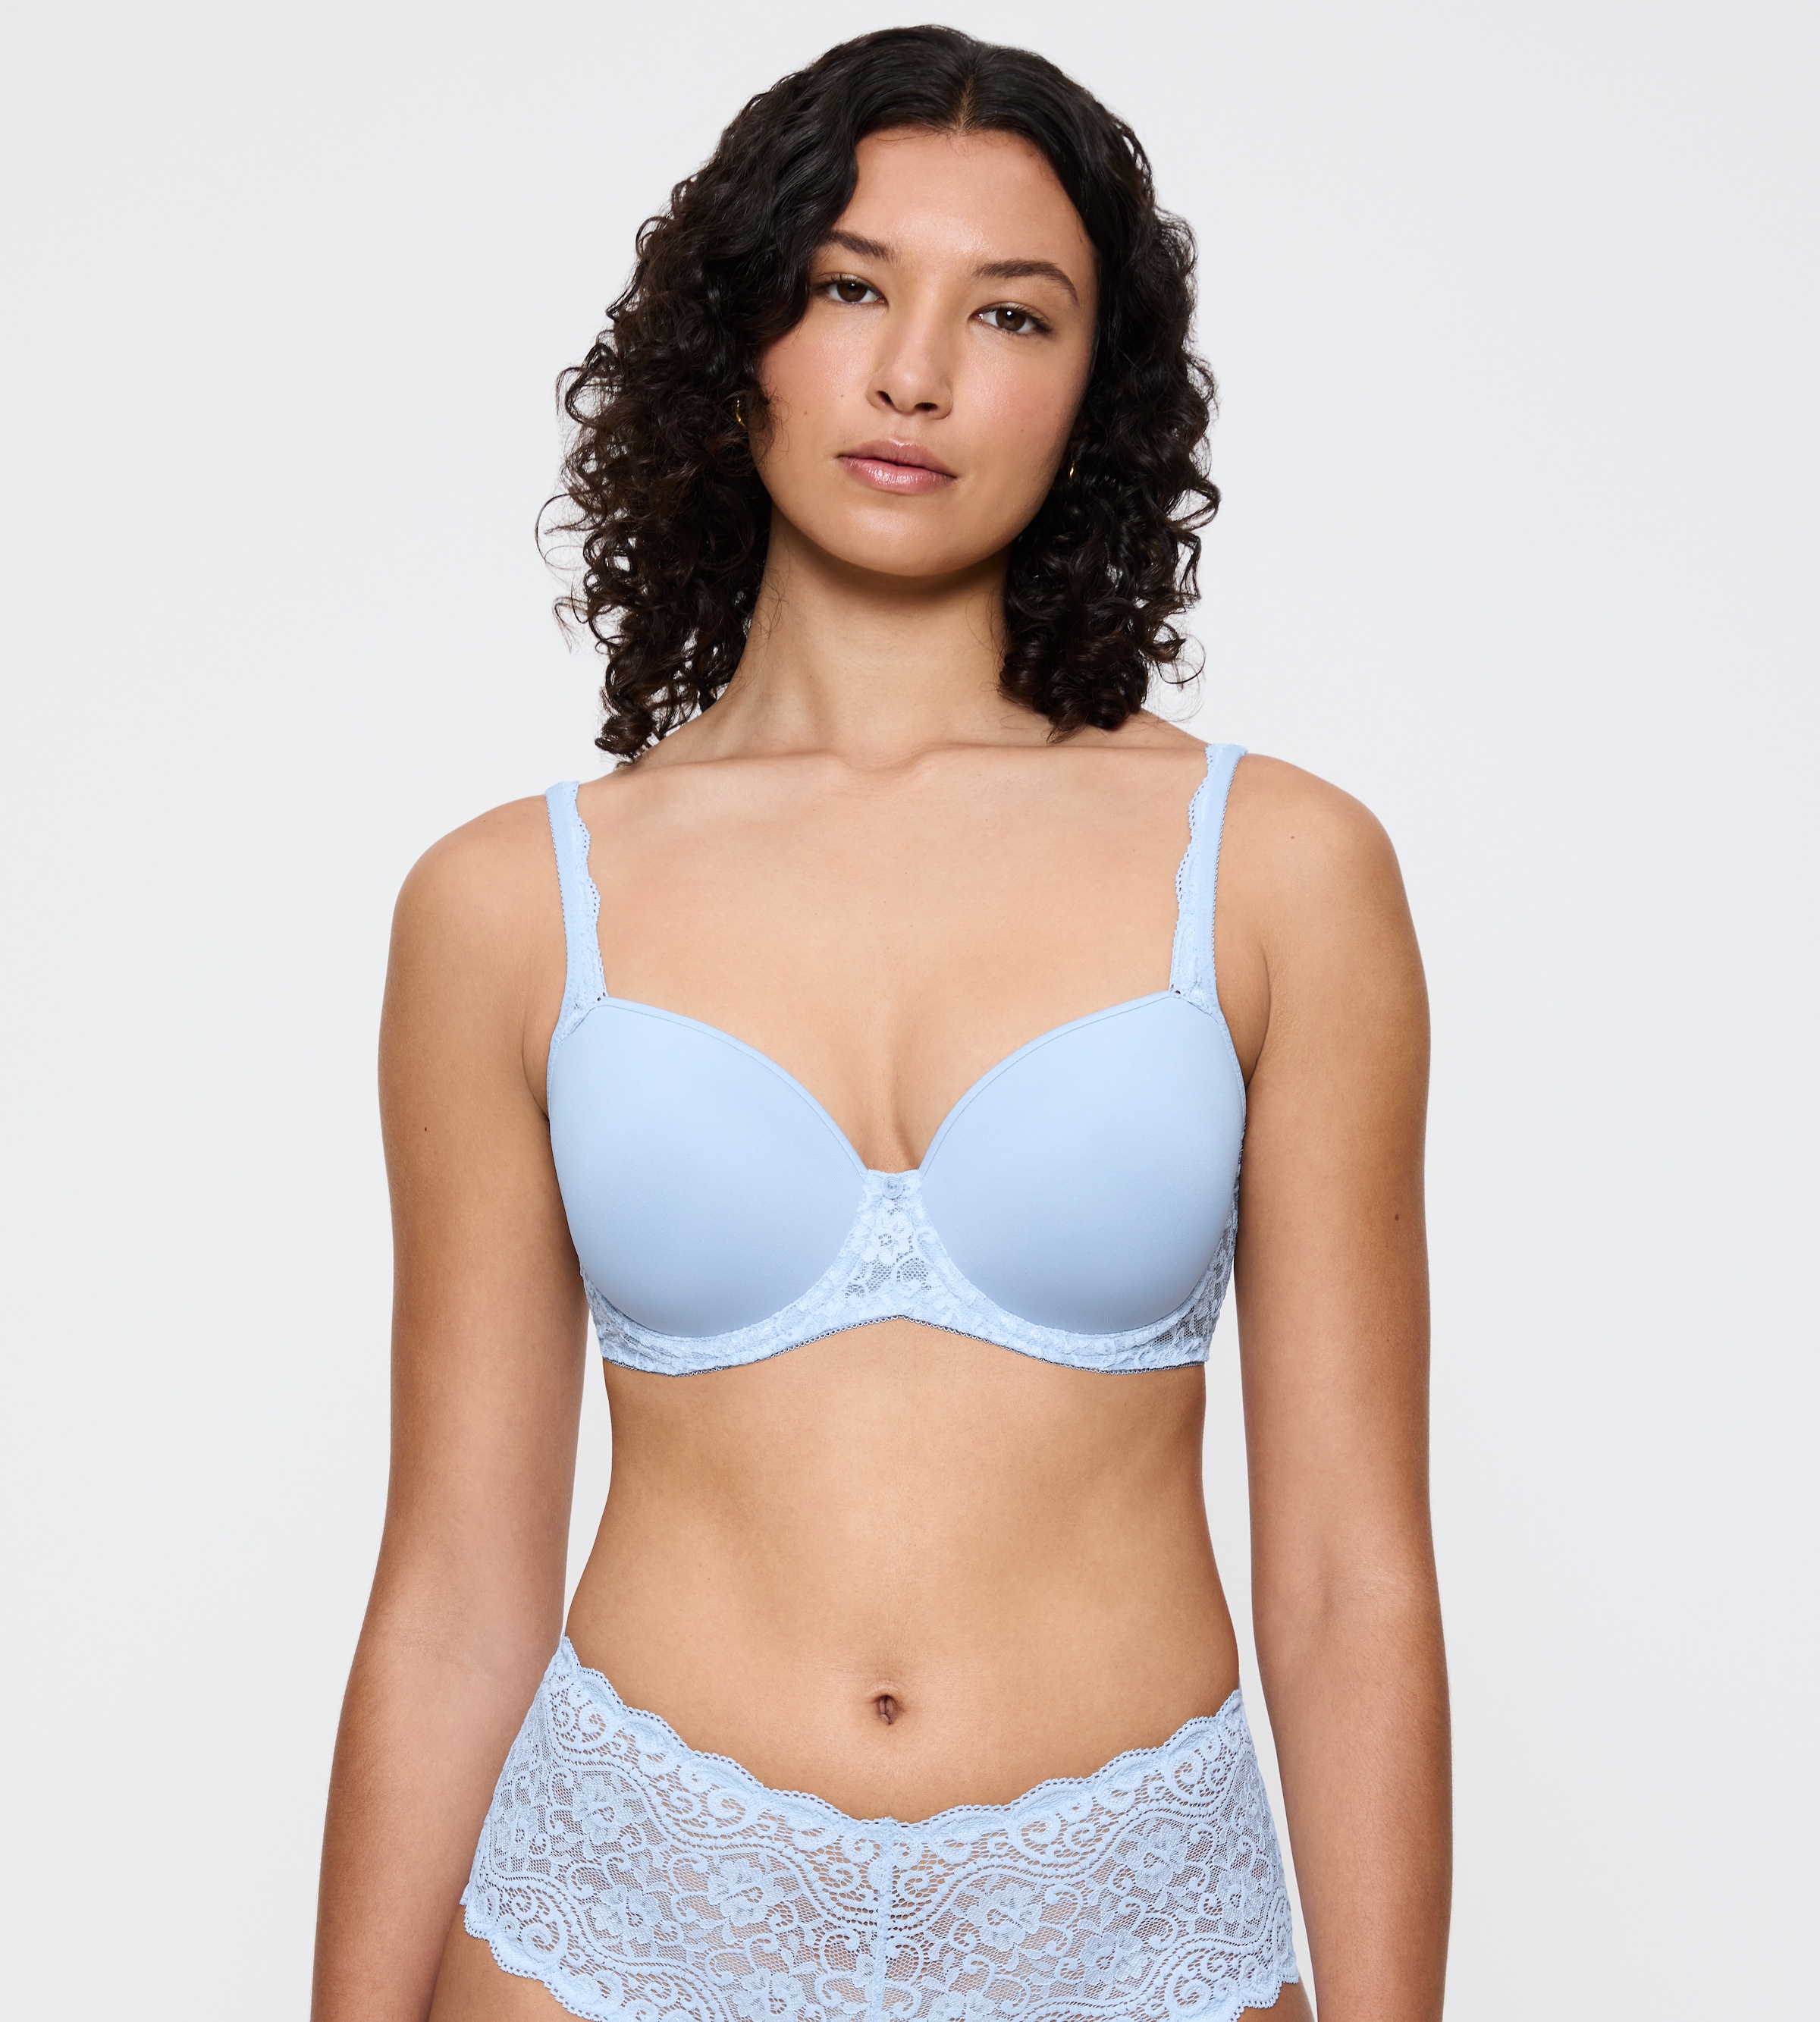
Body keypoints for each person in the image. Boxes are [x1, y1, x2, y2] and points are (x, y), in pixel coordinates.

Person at [312, 27, 1448, 2022]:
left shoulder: (1278, 872)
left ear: (1095, 392)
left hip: (1133, 1940)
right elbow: (455, 1593)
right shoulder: (506, 906)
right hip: (615, 1924)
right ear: (737, 330)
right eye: (851, 287)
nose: (915, 372)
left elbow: (1353, 1579)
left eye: (1010, 314)